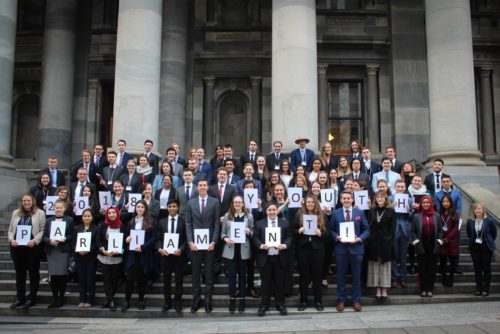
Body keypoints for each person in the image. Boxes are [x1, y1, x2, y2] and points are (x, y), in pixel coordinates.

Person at [329, 190, 370, 312]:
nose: (346, 200)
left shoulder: (359, 212)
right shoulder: (335, 213)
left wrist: (360, 238)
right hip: (341, 249)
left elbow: (367, 229)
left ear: (352, 199)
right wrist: (336, 237)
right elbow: (330, 230)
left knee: (356, 277)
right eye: (344, 198)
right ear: (341, 200)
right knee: (340, 277)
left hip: (356, 249)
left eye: (348, 198)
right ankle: (341, 300)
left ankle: (356, 300)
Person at [185, 178, 221, 313]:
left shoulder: (215, 202)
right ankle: (196, 300)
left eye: (204, 185)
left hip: (209, 245)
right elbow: (188, 223)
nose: (202, 187)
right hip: (195, 245)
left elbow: (217, 223)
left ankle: (208, 300)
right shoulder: (190, 202)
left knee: (209, 273)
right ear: (196, 188)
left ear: (208, 187)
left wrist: (213, 242)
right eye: (200, 185)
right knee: (195, 273)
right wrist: (190, 242)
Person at [253, 202, 293, 317]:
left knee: (280, 282)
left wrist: (284, 245)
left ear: (277, 211)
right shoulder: (259, 223)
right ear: (266, 211)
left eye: (274, 210)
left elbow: (289, 237)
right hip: (265, 257)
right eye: (269, 210)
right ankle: (264, 304)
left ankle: (280, 304)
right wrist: (261, 246)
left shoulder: (284, 223)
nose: (272, 212)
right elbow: (255, 237)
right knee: (265, 282)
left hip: (280, 257)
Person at [8, 194, 46, 309]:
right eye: (24, 201)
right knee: (20, 274)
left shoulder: (40, 213)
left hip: (32, 248)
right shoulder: (15, 213)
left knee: (33, 273)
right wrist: (11, 240)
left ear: (32, 201)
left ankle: (32, 298)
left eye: (28, 200)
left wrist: (35, 241)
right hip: (17, 248)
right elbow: (10, 230)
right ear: (22, 202)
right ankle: (20, 298)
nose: (26, 203)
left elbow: (42, 230)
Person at [221, 196, 254, 313]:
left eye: (240, 202)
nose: (238, 204)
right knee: (231, 277)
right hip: (231, 249)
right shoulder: (227, 216)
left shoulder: (249, 216)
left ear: (243, 204)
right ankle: (232, 299)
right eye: (235, 202)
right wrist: (226, 239)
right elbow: (223, 233)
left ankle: (242, 300)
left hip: (243, 250)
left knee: (242, 276)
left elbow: (252, 232)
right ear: (232, 203)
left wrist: (249, 232)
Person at [121, 200, 156, 311]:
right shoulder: (131, 222)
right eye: (138, 207)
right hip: (132, 254)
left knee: (142, 279)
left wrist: (143, 247)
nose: (140, 209)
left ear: (145, 209)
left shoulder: (151, 222)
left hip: (144, 254)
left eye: (142, 207)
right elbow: (126, 236)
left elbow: (154, 239)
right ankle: (127, 301)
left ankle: (141, 300)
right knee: (130, 279)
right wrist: (126, 239)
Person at [294, 196, 328, 311]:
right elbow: (292, 231)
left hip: (317, 249)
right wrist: (298, 231)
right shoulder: (299, 215)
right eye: (308, 202)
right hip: (303, 249)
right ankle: (303, 301)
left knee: (317, 276)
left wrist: (321, 234)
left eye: (312, 202)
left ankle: (318, 301)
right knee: (304, 275)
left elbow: (327, 234)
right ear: (305, 203)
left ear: (315, 204)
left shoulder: (322, 216)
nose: (310, 204)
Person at [43, 200, 74, 308]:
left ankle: (61, 298)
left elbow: (71, 235)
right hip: (52, 251)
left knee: (62, 275)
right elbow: (44, 236)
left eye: (61, 208)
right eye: (57, 208)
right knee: (53, 276)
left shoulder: (69, 220)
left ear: (64, 209)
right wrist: (49, 241)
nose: (59, 210)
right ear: (53, 208)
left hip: (63, 251)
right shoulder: (48, 221)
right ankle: (54, 298)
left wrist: (65, 238)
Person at [365, 190, 395, 303]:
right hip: (374, 243)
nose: (380, 199)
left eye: (382, 197)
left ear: (385, 199)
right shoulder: (372, 210)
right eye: (378, 197)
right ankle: (377, 289)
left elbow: (393, 229)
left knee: (385, 267)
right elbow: (368, 226)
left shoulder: (391, 211)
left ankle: (384, 290)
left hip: (386, 243)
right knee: (374, 267)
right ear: (375, 199)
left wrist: (389, 241)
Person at [157, 199, 186, 313]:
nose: (172, 208)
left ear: (178, 208)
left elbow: (186, 239)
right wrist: (160, 249)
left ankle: (178, 302)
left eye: (174, 206)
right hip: (165, 255)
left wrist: (181, 249)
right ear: (167, 208)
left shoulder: (183, 222)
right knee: (166, 280)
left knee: (179, 280)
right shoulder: (161, 222)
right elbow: (158, 239)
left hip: (178, 255)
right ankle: (167, 302)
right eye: (170, 206)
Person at [411, 196, 442, 297]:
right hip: (421, 243)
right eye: (423, 203)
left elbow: (441, 230)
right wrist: (416, 241)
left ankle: (430, 289)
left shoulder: (437, 216)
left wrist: (439, 241)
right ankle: (423, 289)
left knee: (432, 268)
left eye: (427, 202)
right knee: (422, 267)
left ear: (431, 203)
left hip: (433, 243)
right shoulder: (417, 216)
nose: (425, 204)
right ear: (421, 204)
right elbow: (413, 231)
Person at [96, 207, 126, 311]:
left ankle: (108, 300)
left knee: (114, 280)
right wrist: (103, 250)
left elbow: (124, 244)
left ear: (117, 214)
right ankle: (111, 300)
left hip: (116, 258)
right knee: (106, 279)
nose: (112, 215)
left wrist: (120, 251)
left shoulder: (122, 227)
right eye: (110, 213)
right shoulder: (103, 225)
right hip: (104, 257)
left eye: (114, 213)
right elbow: (99, 240)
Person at [466, 202, 497, 297]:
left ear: (483, 210)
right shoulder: (470, 221)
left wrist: (488, 241)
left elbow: (493, 234)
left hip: (486, 248)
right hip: (475, 249)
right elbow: (469, 233)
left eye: (480, 209)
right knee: (477, 269)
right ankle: (479, 289)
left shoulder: (489, 221)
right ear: (473, 211)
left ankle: (485, 290)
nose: (478, 210)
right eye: (476, 209)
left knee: (486, 269)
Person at [73, 208, 98, 308]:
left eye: (89, 216)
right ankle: (82, 298)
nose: (87, 218)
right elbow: (73, 243)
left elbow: (96, 244)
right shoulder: (76, 228)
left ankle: (90, 299)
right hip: (79, 257)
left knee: (90, 278)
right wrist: (78, 250)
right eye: (85, 216)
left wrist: (88, 250)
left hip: (91, 257)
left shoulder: (96, 229)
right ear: (82, 217)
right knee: (82, 278)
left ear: (92, 217)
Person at [390, 180, 412, 288]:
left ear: (405, 187)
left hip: (404, 229)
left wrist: (409, 210)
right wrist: (391, 208)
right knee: (394, 254)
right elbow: (386, 215)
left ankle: (403, 278)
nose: (400, 188)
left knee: (403, 255)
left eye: (402, 186)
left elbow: (414, 216)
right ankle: (394, 277)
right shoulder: (390, 199)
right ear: (395, 187)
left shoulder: (410, 200)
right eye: (398, 186)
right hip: (394, 229)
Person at [438, 194, 460, 287]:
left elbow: (456, 228)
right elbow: (438, 227)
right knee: (443, 261)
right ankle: (444, 277)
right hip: (442, 241)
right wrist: (442, 239)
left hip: (451, 241)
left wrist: (448, 238)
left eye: (447, 201)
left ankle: (451, 278)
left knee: (452, 261)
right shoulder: (439, 213)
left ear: (450, 203)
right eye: (444, 202)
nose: (445, 203)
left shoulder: (455, 214)